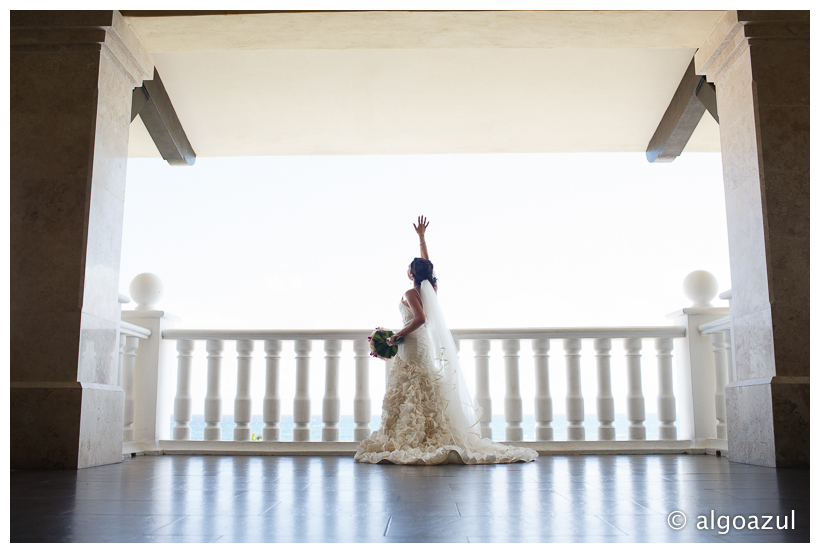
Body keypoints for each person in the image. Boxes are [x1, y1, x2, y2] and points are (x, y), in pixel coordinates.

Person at [354, 216, 538, 465]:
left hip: (413, 341)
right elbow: (428, 266)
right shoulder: (431, 288)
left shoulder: (410, 292)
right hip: (421, 344)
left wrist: (398, 335)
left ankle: (413, 437)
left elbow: (420, 319)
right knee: (420, 385)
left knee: (412, 385)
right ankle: (424, 432)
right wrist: (421, 239)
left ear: (411, 273)